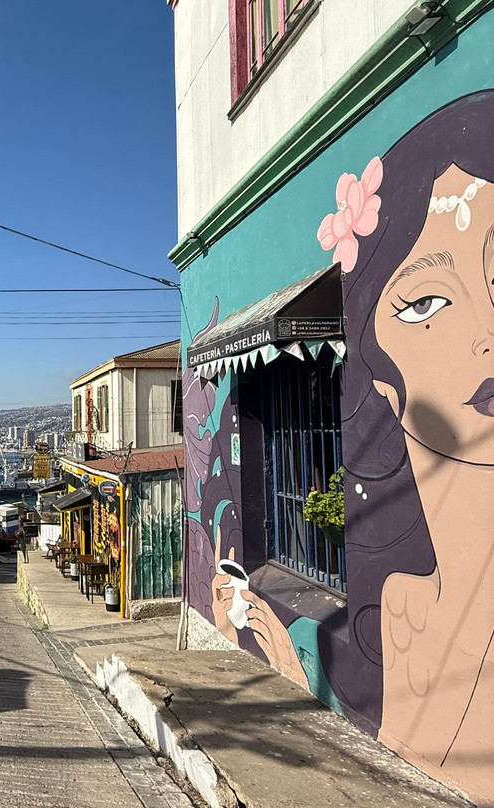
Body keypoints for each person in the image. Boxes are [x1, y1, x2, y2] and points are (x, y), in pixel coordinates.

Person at [211, 91, 494, 802]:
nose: (484, 337)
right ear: (379, 370)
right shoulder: (395, 607)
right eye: (426, 303)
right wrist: (282, 653)